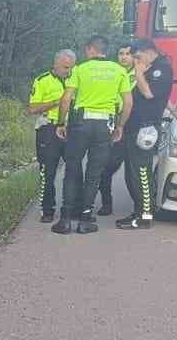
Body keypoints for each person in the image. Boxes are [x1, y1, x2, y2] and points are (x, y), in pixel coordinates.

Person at [52, 36, 132, 235]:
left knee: (72, 169)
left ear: (90, 49)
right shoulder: (119, 71)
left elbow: (66, 99)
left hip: (80, 124)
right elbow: (128, 103)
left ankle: (65, 220)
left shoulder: (80, 69)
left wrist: (61, 123)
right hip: (105, 125)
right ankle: (86, 219)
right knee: (94, 173)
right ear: (106, 50)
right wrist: (120, 126)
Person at [116, 39, 176, 229]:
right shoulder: (149, 68)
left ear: (149, 51)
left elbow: (150, 94)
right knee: (131, 173)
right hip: (133, 126)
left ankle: (144, 217)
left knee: (142, 172)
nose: (135, 60)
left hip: (146, 127)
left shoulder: (161, 68)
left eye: (137, 56)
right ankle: (138, 211)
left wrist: (139, 73)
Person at [28, 49, 74, 222]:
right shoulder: (42, 81)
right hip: (48, 128)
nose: (67, 71)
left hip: (71, 129)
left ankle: (71, 208)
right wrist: (58, 101)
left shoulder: (75, 79)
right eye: (64, 67)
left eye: (70, 68)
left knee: (74, 170)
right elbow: (32, 108)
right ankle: (47, 210)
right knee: (47, 171)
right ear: (55, 64)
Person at [96, 42, 135, 215]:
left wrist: (174, 110)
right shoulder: (111, 72)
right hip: (114, 126)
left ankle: (141, 209)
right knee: (105, 169)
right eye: (121, 53)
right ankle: (107, 204)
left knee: (134, 173)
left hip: (134, 127)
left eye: (128, 53)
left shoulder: (141, 74)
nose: (124, 57)